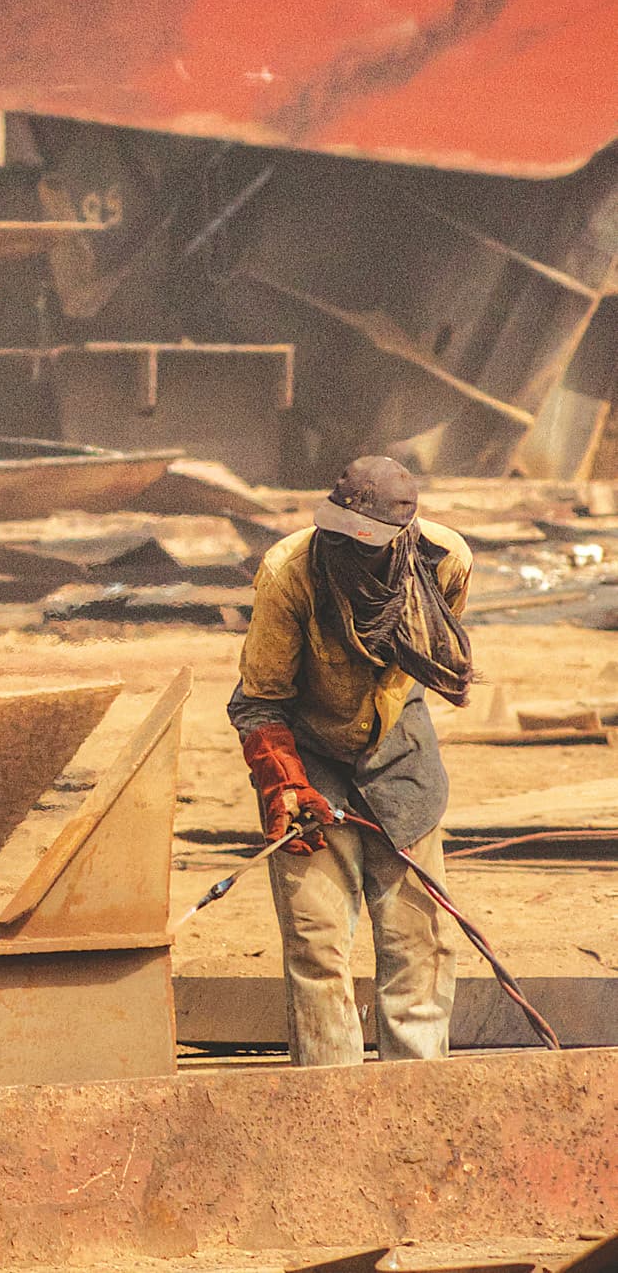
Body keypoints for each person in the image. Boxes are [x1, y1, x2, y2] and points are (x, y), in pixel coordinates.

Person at [228, 455, 472, 1067]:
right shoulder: (290, 571)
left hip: (401, 759)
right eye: (337, 530)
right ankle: (328, 1108)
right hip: (308, 759)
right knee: (317, 946)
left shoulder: (446, 562)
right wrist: (284, 784)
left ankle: (417, 1098)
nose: (344, 547)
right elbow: (258, 702)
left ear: (399, 538)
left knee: (420, 943)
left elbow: (427, 651)